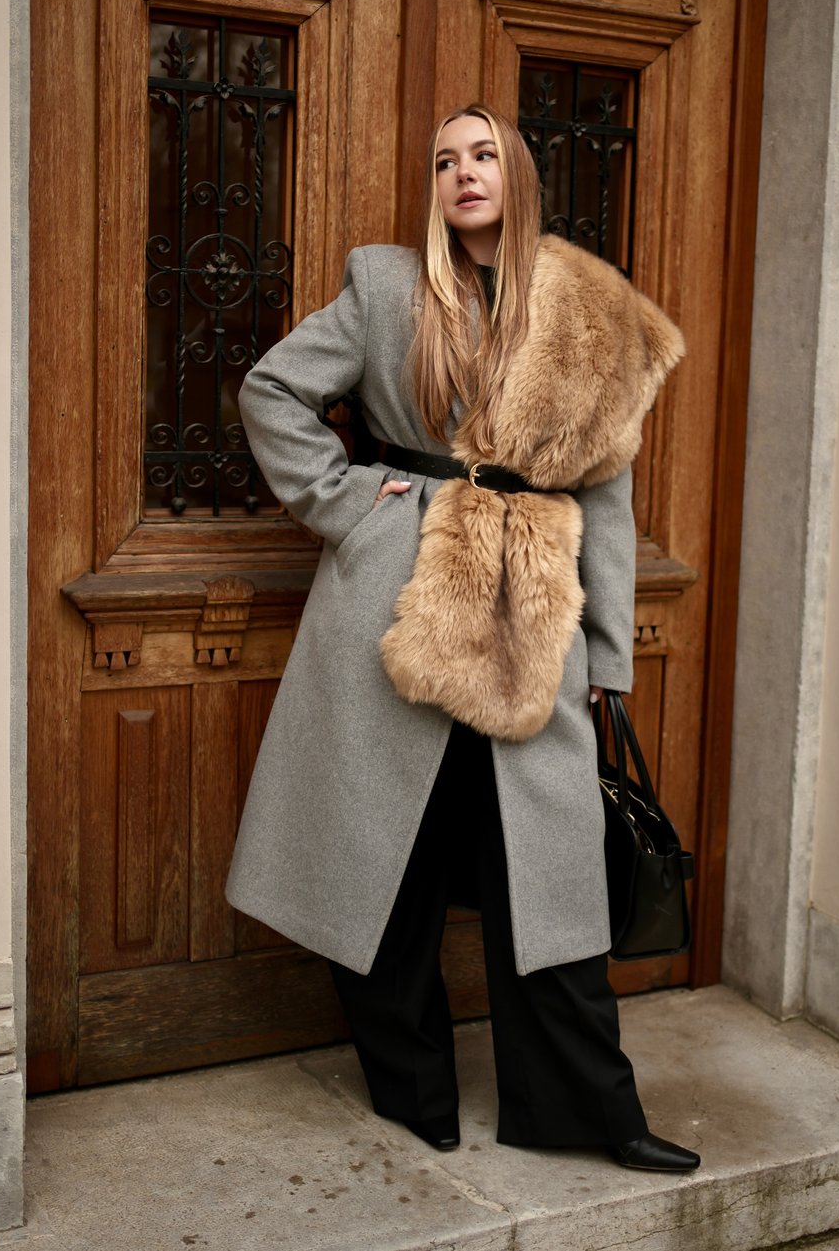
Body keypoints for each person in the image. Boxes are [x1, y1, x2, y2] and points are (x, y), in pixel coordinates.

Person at [226, 104, 697, 1173]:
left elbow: (607, 499)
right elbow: (272, 391)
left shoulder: (589, 312)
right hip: (401, 594)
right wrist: (352, 504)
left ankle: (587, 1108)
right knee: (385, 860)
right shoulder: (390, 288)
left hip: (533, 611)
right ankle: (412, 1085)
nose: (462, 173)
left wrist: (606, 658)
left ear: (517, 174)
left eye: (482, 154)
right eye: (443, 159)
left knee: (553, 870)